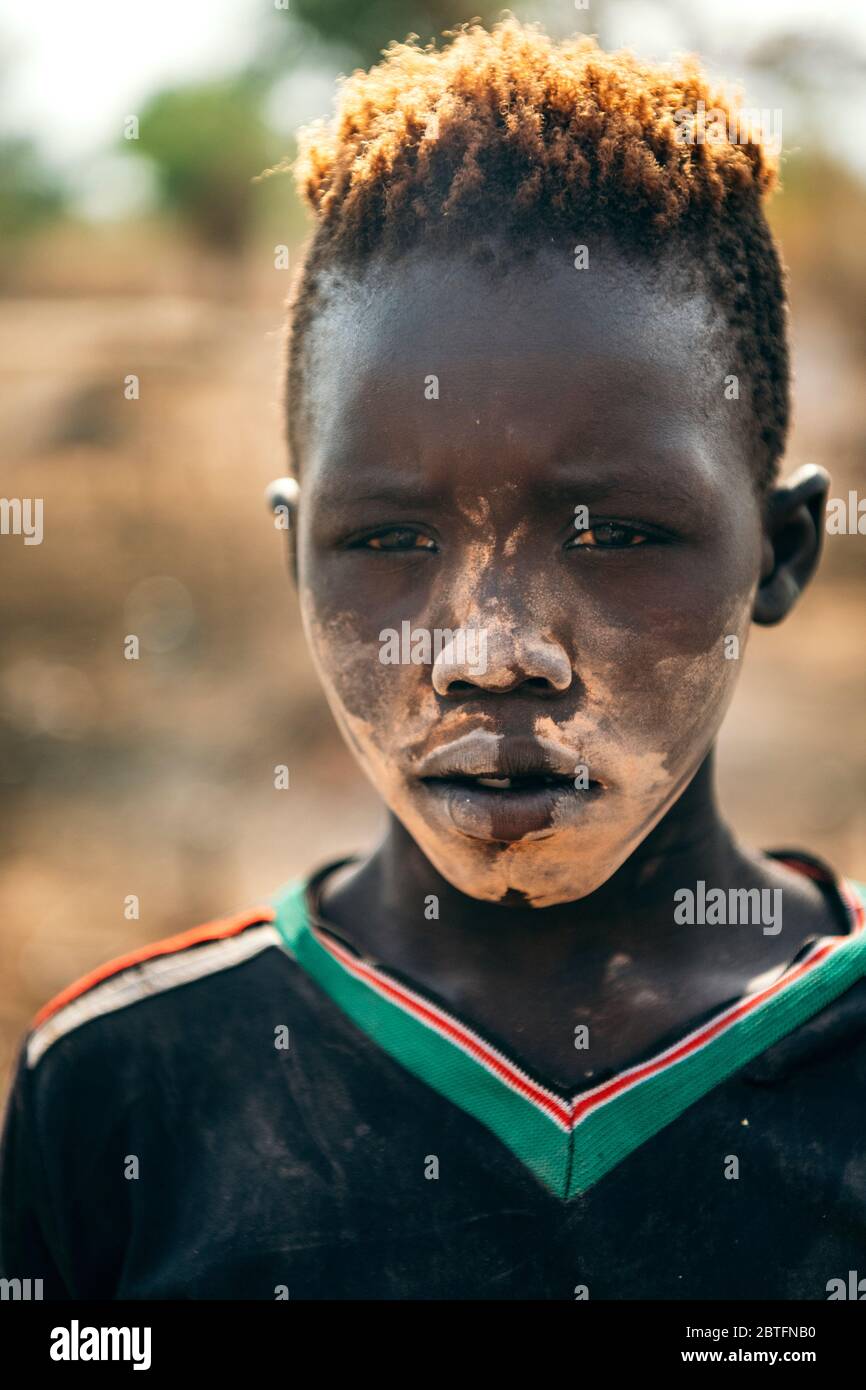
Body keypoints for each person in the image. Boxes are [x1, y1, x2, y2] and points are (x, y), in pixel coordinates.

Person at [2, 18, 864, 1300]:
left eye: (617, 534)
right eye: (388, 539)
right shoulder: (123, 1088)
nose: (487, 652)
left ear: (779, 552)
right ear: (297, 556)